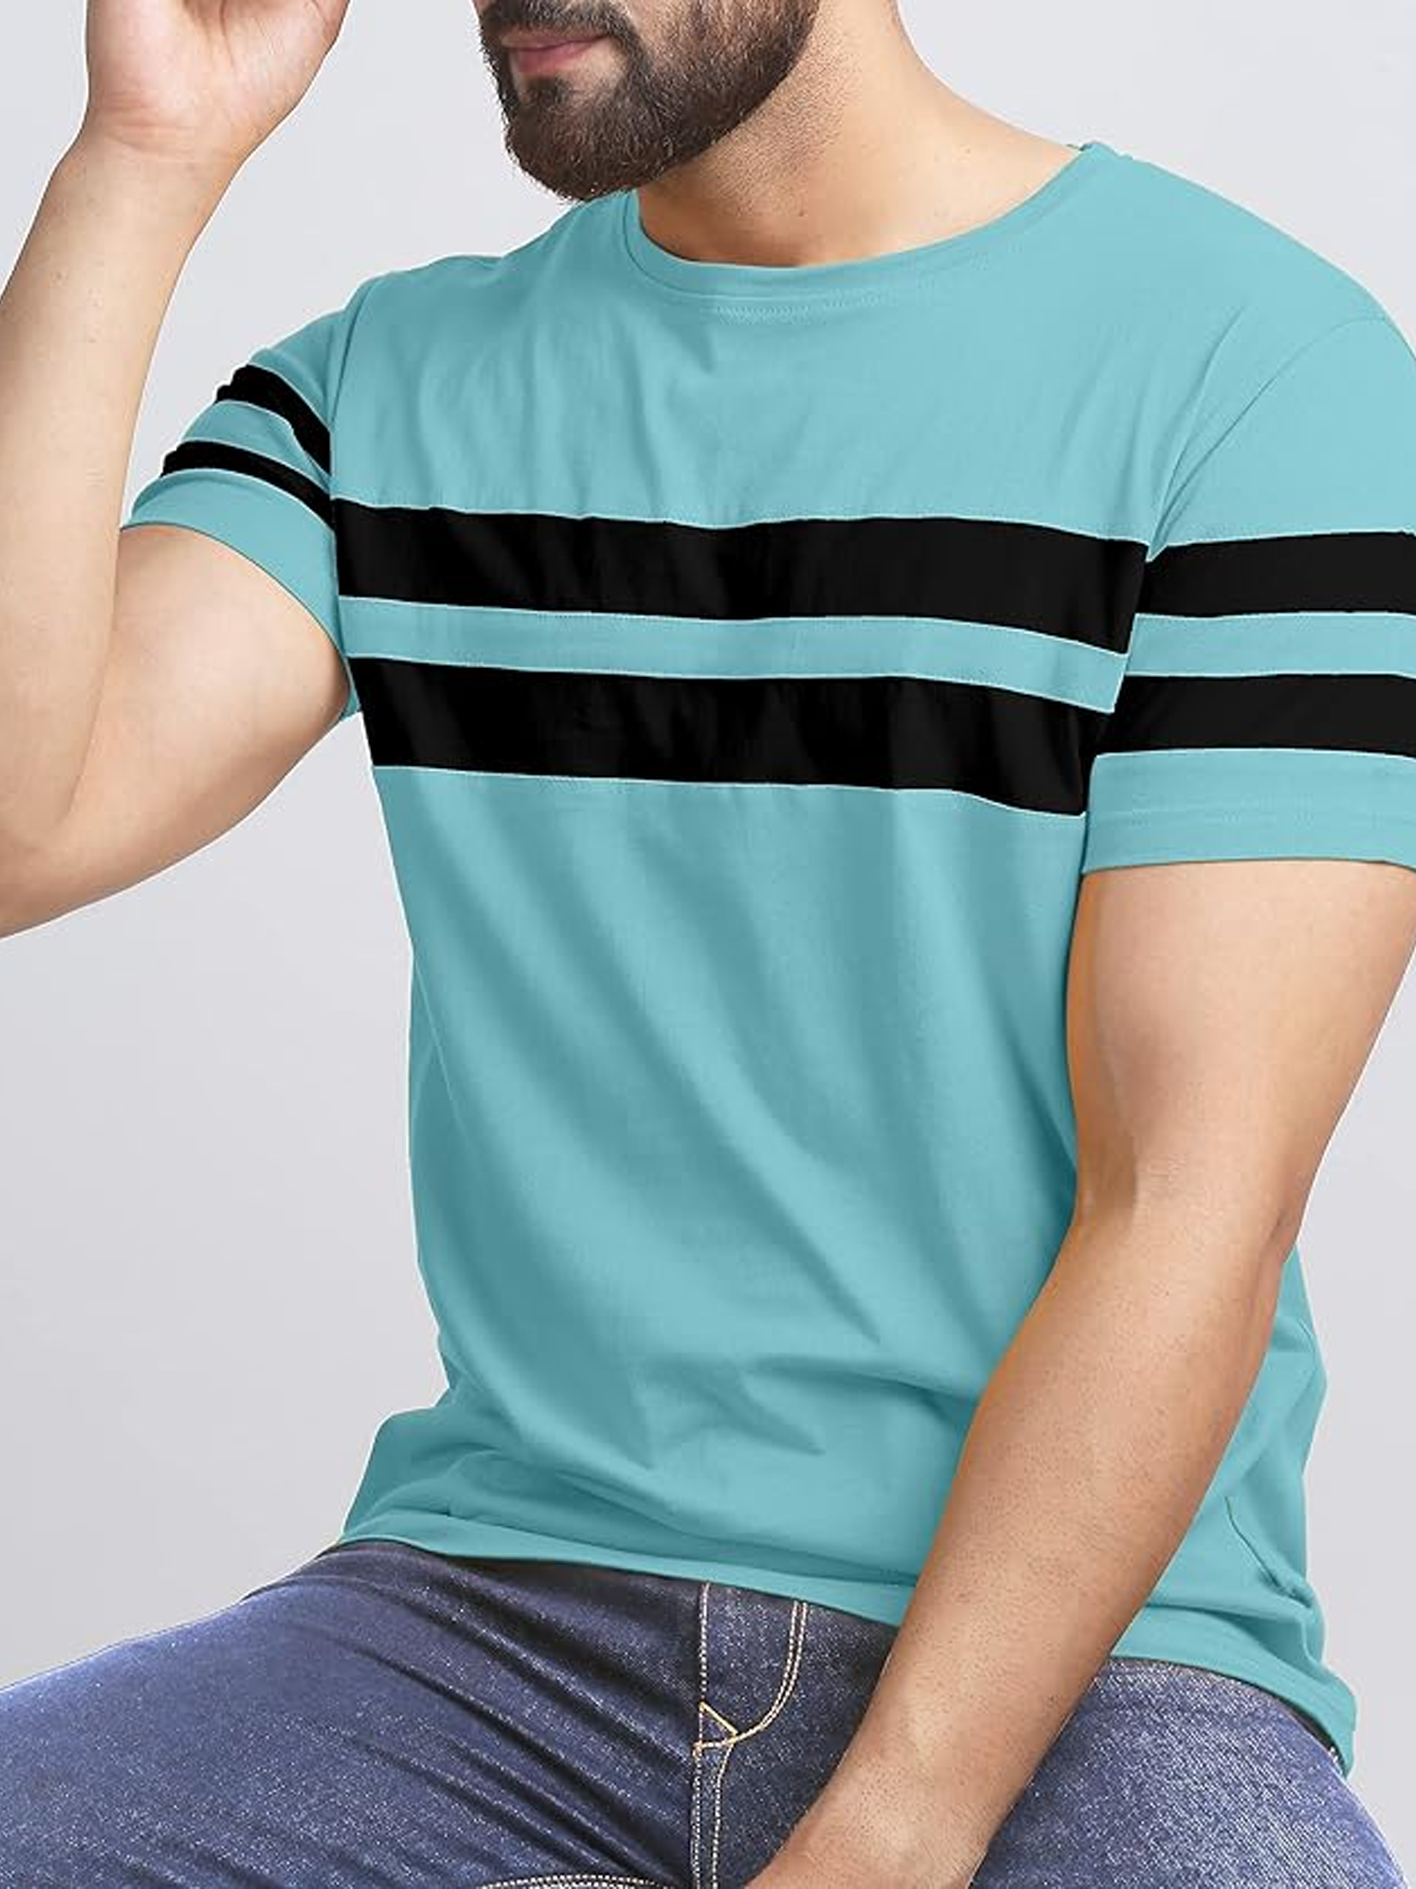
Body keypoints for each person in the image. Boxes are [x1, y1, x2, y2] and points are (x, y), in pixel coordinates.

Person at [0, 0, 1413, 1882]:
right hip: (491, 1635)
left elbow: (1189, 1203)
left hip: (1096, 1668)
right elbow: (23, 820)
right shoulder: (382, 389)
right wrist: (142, 159)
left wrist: (899, 1822)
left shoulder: (1262, 373)